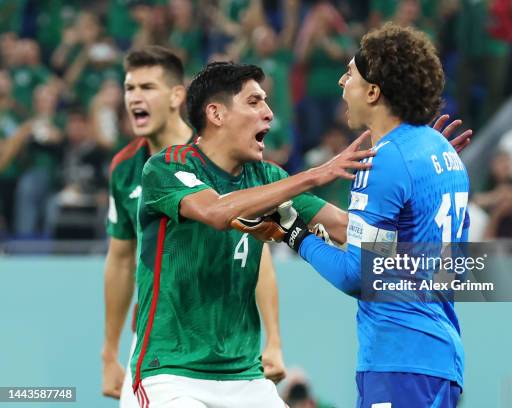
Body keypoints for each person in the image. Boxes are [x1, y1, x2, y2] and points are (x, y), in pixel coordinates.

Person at [129, 60, 376, 407]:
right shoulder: (166, 167)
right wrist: (314, 175)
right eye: (254, 102)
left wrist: (416, 212)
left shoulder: (267, 178)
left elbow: (344, 227)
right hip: (171, 372)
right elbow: (215, 211)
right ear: (216, 114)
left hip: (244, 375)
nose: (270, 113)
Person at [270, 23, 471, 407]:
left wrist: (294, 235)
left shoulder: (384, 160)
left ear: (374, 92)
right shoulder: (443, 154)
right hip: (442, 362)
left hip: (398, 361)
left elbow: (357, 276)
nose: (342, 82)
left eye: (350, 74)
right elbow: (454, 268)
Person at [101, 47, 289, 407]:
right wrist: (109, 351)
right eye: (129, 88)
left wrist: (274, 340)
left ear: (176, 96)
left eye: (147, 87)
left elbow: (256, 251)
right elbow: (121, 259)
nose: (134, 98)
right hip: (165, 347)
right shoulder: (126, 167)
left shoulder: (222, 150)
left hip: (230, 353)